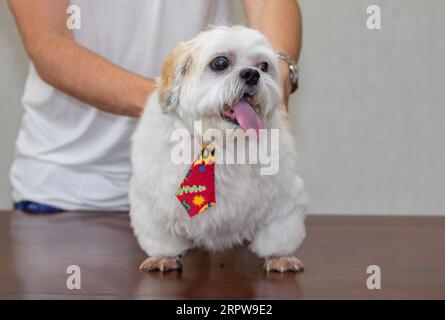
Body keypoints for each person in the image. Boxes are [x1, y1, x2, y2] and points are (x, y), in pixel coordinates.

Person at [8, 0, 302, 212]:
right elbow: (48, 42)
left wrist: (276, 76)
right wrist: (175, 102)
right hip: (69, 191)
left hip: (217, 187)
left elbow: (268, 4)